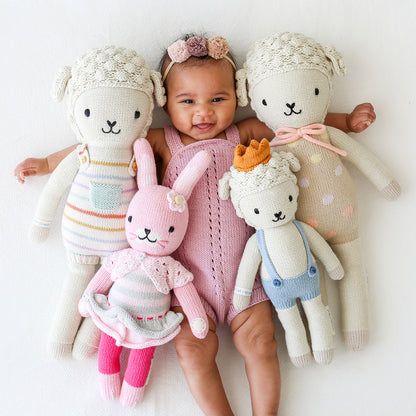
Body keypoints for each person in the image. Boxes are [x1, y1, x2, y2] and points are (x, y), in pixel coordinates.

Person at [15, 35, 375, 415]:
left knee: (262, 343)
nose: (203, 112)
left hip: (248, 277)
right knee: (191, 349)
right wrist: (46, 163)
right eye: (187, 101)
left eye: (217, 99)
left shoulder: (247, 134)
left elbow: (299, 125)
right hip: (187, 284)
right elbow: (96, 146)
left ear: (237, 96)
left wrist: (346, 121)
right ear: (164, 103)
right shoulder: (160, 141)